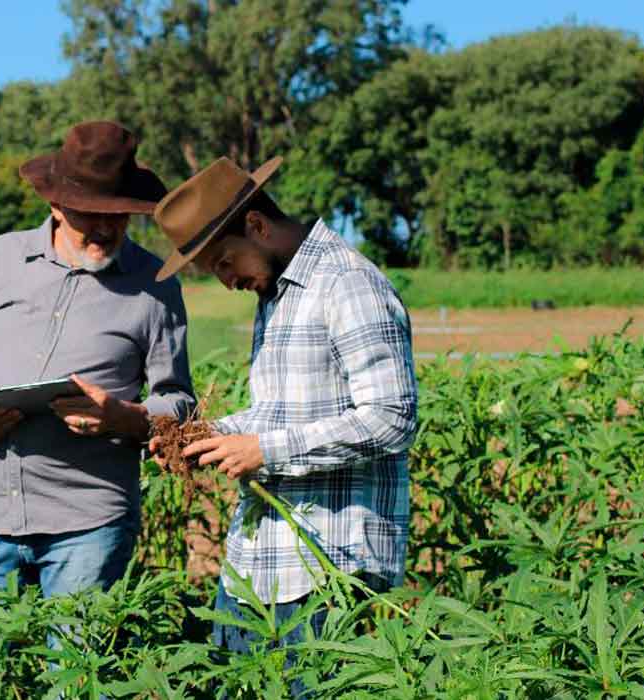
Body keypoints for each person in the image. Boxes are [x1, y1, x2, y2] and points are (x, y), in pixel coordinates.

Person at [150, 156, 417, 689]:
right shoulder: (277, 291)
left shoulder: (347, 284)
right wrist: (212, 436)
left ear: (257, 226)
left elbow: (393, 416)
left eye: (225, 263)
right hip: (259, 566)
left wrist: (266, 452)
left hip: (328, 568)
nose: (227, 282)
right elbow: (282, 412)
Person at [0, 120, 196, 629]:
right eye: (88, 215)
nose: (104, 229)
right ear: (54, 205)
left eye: (118, 216)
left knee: (73, 675)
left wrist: (124, 416)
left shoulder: (155, 286)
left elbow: (179, 402)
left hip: (90, 523)